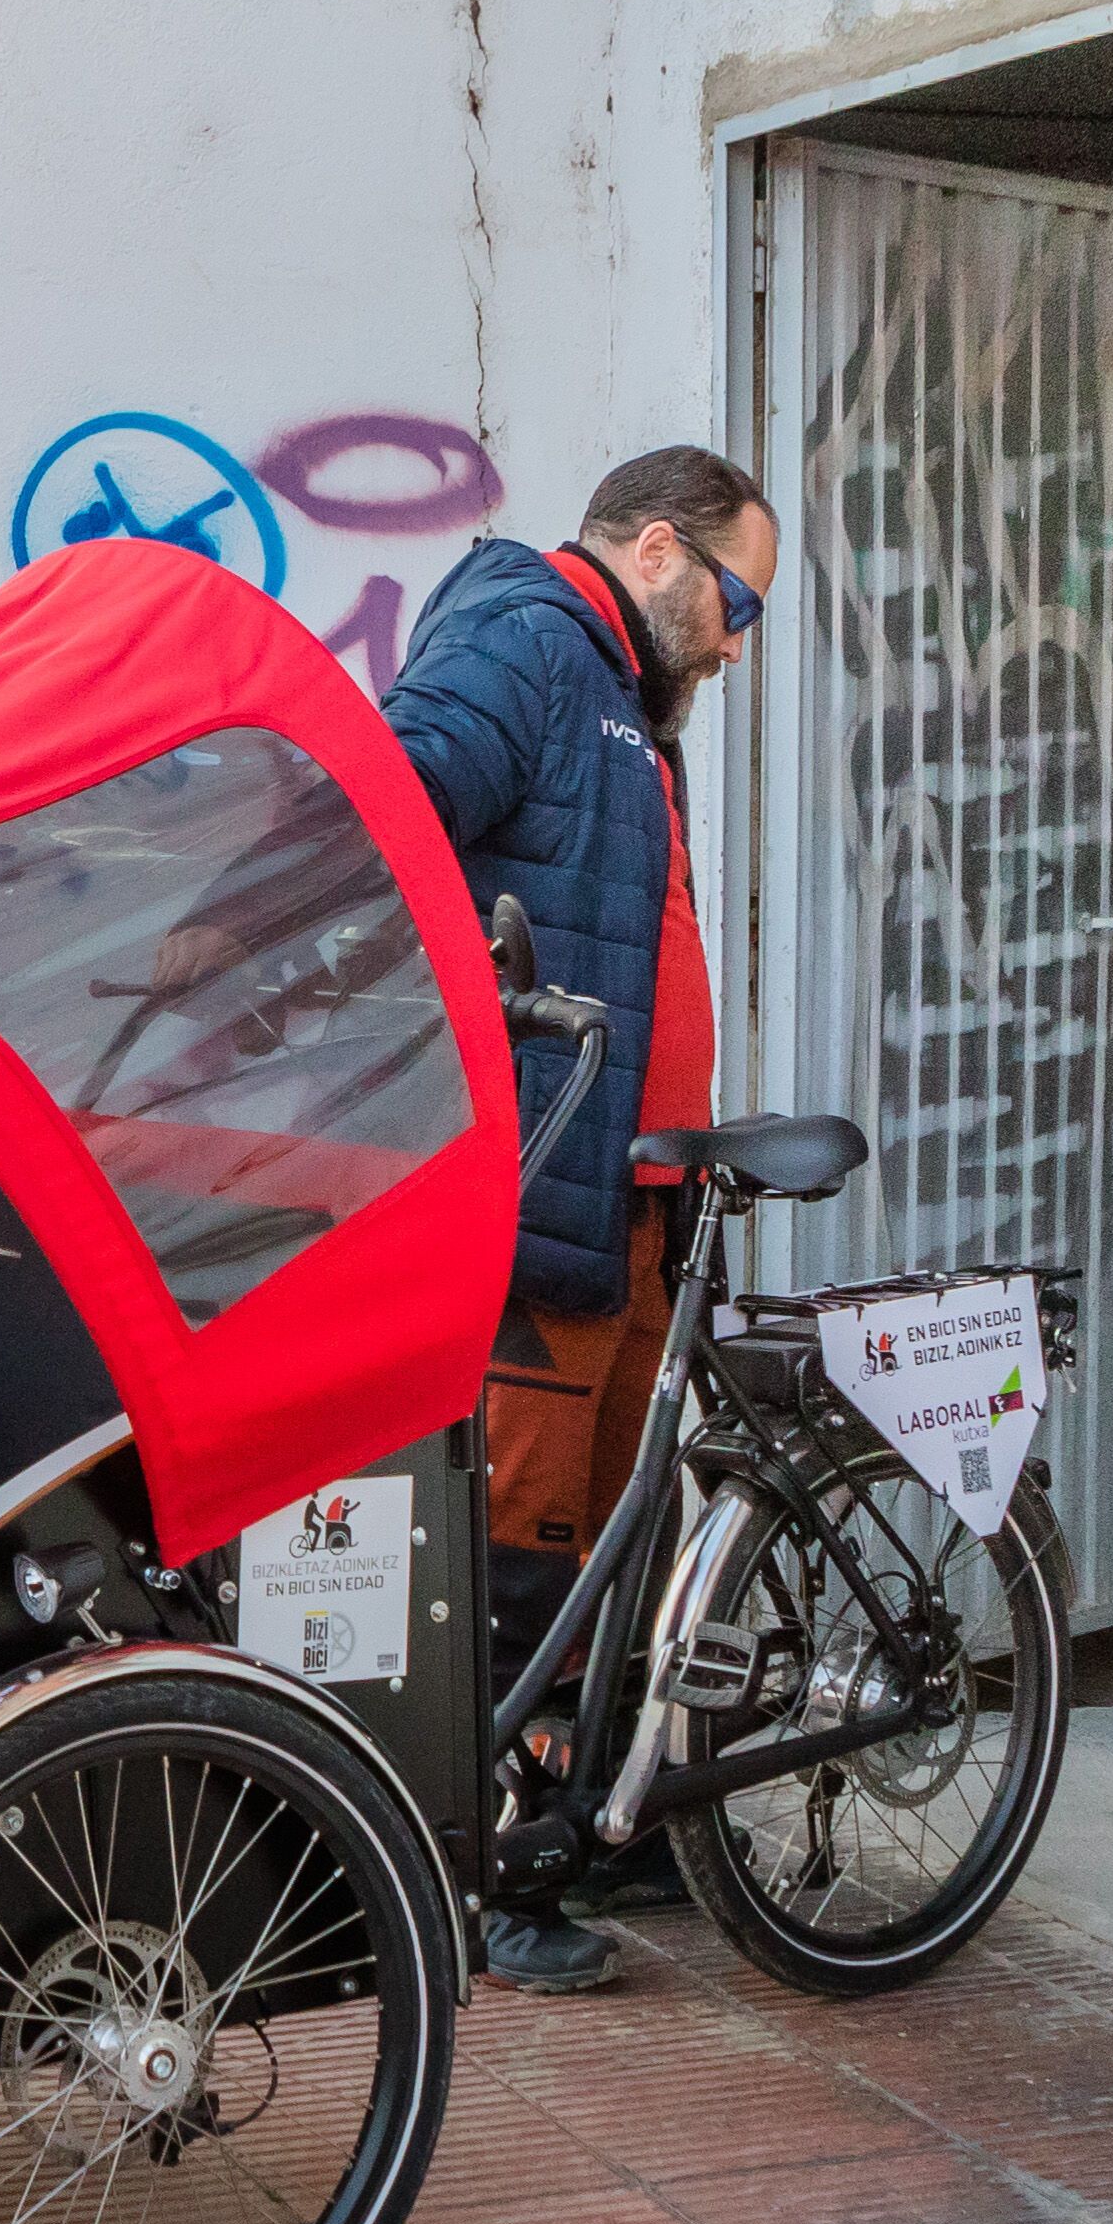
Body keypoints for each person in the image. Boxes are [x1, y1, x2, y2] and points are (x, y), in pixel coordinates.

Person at [380, 443, 782, 1997]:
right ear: (665, 549)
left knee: (611, 1537)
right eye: (737, 599)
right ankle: (478, 1871)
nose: (737, 639)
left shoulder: (622, 690)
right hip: (543, 1190)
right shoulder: (530, 643)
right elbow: (394, 793)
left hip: (630, 1194)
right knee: (519, 1548)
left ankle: (572, 1825)